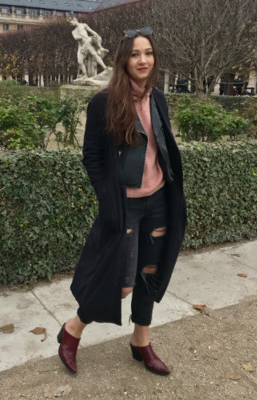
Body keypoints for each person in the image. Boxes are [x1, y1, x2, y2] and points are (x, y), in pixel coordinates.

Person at [57, 28, 187, 376]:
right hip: (125, 205)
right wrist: (108, 198)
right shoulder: (104, 102)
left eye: (148, 53)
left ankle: (141, 340)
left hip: (158, 202)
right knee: (120, 283)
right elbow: (91, 156)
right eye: (135, 54)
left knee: (150, 275)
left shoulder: (157, 98)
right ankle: (72, 328)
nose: (143, 60)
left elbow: (162, 147)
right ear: (123, 60)